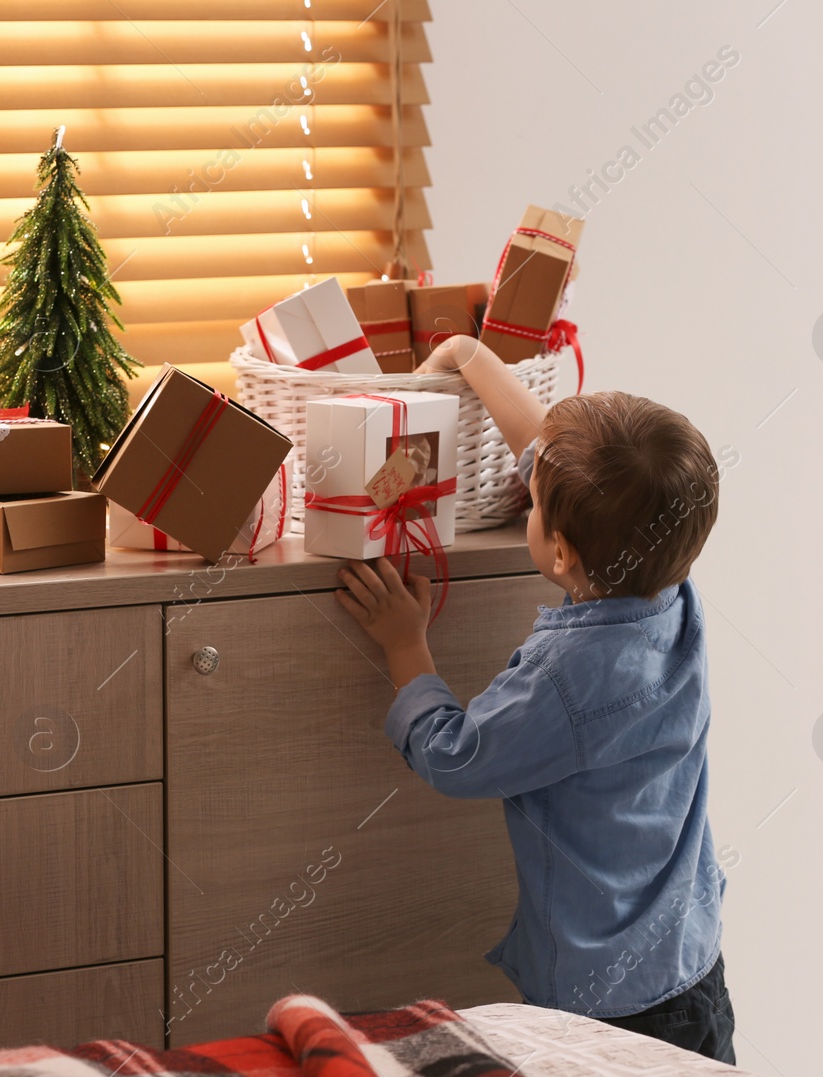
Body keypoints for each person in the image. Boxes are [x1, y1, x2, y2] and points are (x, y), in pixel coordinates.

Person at [334, 334, 737, 1063]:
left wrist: (405, 644)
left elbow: (458, 756)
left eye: (536, 502)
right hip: (691, 967)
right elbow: (546, 455)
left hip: (608, 1007)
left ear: (559, 552)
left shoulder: (567, 676)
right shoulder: (671, 593)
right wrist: (468, 355)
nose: (529, 489)